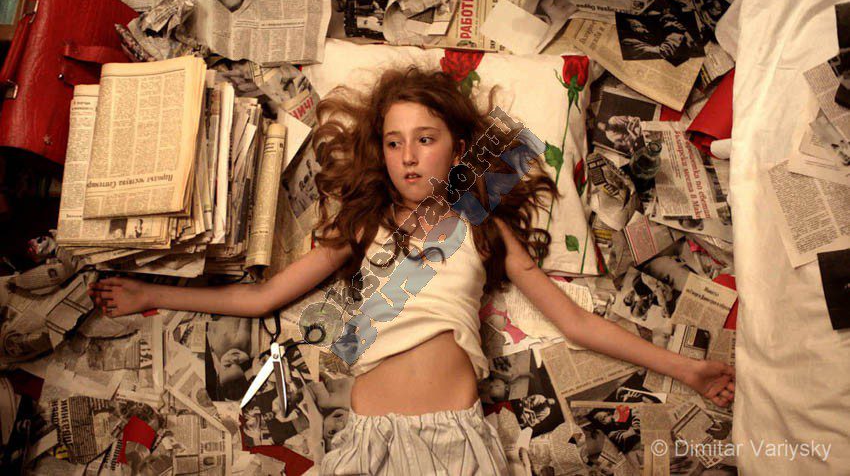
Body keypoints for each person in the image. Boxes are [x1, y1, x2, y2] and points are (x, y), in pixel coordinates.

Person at [89, 67, 735, 475]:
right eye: (394, 142)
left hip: (457, 443)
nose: (408, 157)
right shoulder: (364, 227)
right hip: (366, 445)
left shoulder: (483, 226)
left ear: (458, 146)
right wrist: (150, 291)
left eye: (425, 139)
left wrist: (685, 369)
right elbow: (264, 298)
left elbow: (574, 321)